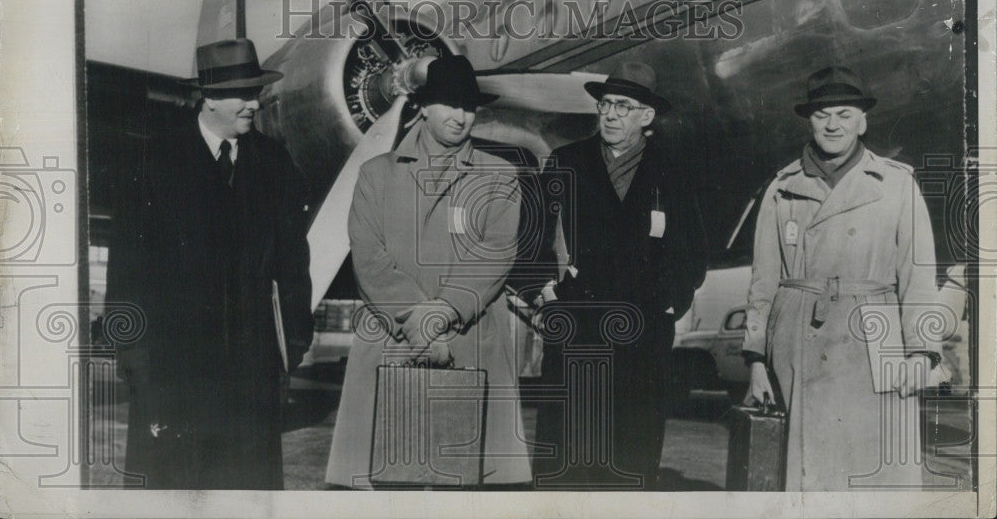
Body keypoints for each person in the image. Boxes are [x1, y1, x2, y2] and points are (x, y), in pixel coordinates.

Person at [105, 38, 314, 489]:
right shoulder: (153, 160)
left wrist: (291, 347)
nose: (254, 104)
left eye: (256, 93)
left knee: (246, 495)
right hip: (173, 372)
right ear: (210, 98)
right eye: (244, 94)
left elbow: (294, 265)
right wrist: (136, 357)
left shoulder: (275, 164)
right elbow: (126, 272)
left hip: (252, 377)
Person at [325, 54, 532, 489]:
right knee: (387, 487)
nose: (460, 116)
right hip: (393, 342)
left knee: (466, 491)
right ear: (422, 106)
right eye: (448, 103)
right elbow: (369, 257)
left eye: (469, 106)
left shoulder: (501, 176)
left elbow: (495, 254)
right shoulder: (374, 175)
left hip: (469, 347)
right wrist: (420, 321)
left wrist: (440, 315)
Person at [743, 65, 947, 491]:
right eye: (822, 115)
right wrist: (756, 360)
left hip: (875, 337)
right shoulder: (782, 188)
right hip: (799, 339)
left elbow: (918, 274)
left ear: (863, 121)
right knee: (807, 472)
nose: (832, 125)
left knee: (875, 470)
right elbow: (763, 281)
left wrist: (922, 352)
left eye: (844, 114)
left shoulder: (895, 183)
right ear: (809, 120)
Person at [531, 61, 708, 489]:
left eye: (624, 106)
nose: (610, 114)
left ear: (647, 116)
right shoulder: (565, 162)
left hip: (644, 330)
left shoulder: (674, 168)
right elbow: (532, 236)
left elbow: (693, 250)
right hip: (577, 323)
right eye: (606, 104)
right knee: (567, 452)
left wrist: (672, 299)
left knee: (633, 450)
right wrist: (546, 295)